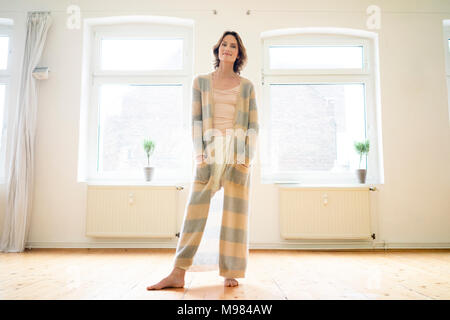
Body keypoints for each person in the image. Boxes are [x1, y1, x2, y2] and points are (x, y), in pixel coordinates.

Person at [147, 30, 259, 290]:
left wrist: (246, 159)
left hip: (236, 152)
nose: (227, 48)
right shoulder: (200, 82)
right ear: (217, 49)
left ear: (238, 53)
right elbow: (195, 120)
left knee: (234, 215)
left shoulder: (247, 86)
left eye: (233, 45)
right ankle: (178, 272)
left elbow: (254, 125)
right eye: (223, 44)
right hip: (209, 151)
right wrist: (199, 153)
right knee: (195, 212)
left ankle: (230, 271)